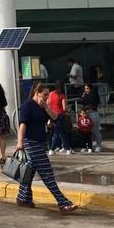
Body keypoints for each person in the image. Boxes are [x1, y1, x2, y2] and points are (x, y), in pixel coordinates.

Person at [16, 83, 78, 215]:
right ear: (37, 93)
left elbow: (55, 118)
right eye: (44, 95)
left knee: (29, 171)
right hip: (30, 143)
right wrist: (20, 142)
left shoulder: (42, 107)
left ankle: (23, 198)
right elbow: (23, 124)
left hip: (40, 143)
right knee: (47, 173)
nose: (46, 97)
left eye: (47, 95)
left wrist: (46, 106)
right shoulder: (28, 105)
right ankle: (63, 203)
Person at [48, 83, 72, 155]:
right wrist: (67, 111)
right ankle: (52, 149)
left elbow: (48, 103)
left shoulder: (51, 93)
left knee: (61, 132)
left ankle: (67, 148)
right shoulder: (62, 96)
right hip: (59, 115)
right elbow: (64, 108)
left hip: (52, 114)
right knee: (57, 132)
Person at [80, 83, 103, 152]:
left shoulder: (94, 95)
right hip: (86, 114)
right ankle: (87, 146)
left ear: (91, 89)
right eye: (85, 89)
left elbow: (92, 104)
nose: (86, 90)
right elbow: (82, 102)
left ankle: (99, 145)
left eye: (87, 88)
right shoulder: (85, 95)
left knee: (95, 130)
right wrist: (83, 97)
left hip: (93, 114)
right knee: (86, 132)